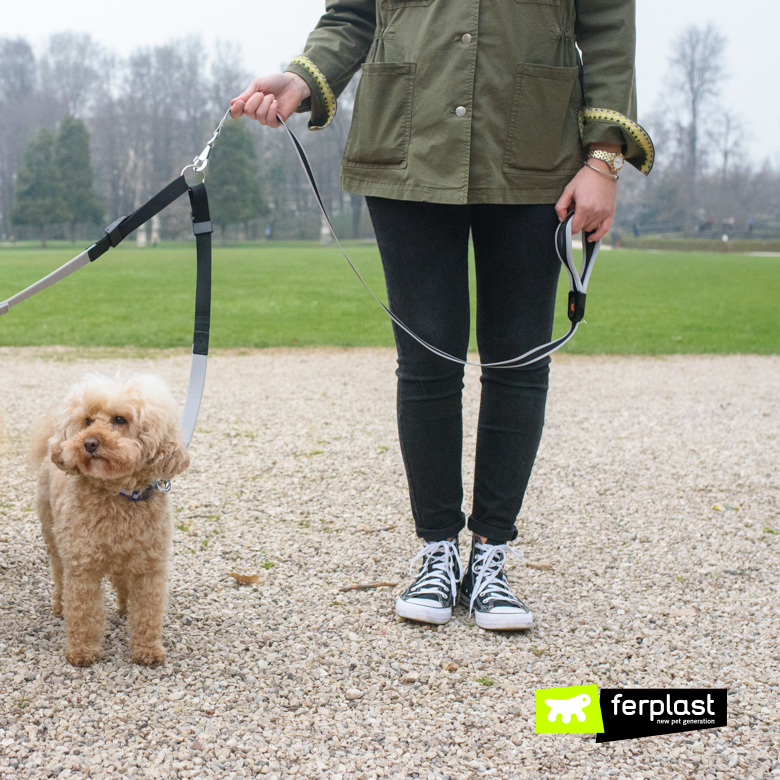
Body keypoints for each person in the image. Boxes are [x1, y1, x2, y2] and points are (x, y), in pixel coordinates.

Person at [231, 0, 652, 630]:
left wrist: (604, 161)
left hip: (536, 150)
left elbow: (608, 24)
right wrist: (303, 77)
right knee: (426, 363)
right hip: (407, 144)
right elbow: (352, 16)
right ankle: (435, 550)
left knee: (518, 360)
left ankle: (491, 557)